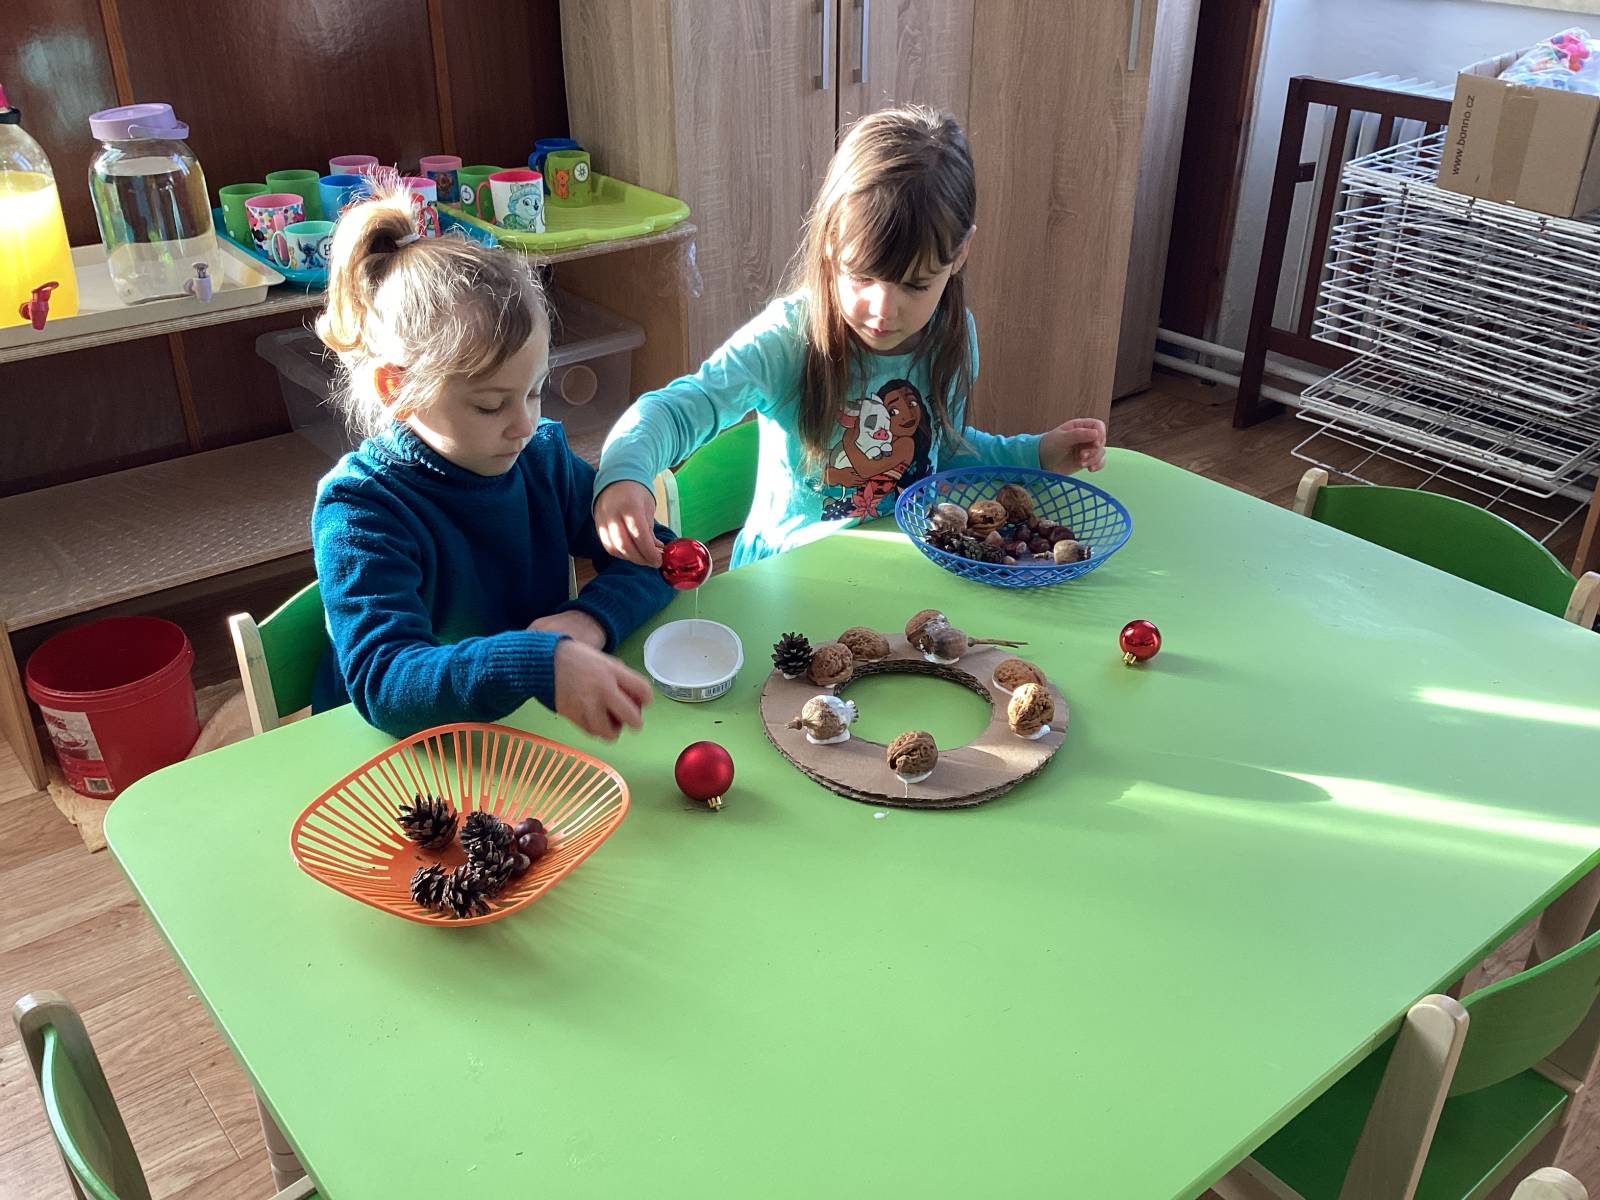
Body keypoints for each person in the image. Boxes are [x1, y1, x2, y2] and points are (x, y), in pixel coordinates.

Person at [592, 105, 1107, 569]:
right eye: (861, 276)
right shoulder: (788, 339)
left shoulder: (953, 336)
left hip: (905, 567)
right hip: (790, 577)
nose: (883, 311)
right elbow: (677, 410)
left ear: (960, 254)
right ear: (829, 239)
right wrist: (625, 473)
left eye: (915, 284)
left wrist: (1036, 453)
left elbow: (941, 452)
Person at [309, 184, 674, 740]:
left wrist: (587, 620)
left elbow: (659, 556)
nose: (525, 424)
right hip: (400, 757)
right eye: (490, 405)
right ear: (396, 389)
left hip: (525, 731)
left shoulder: (541, 459)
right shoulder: (360, 510)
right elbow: (385, 680)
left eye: (535, 391)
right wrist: (535, 661)